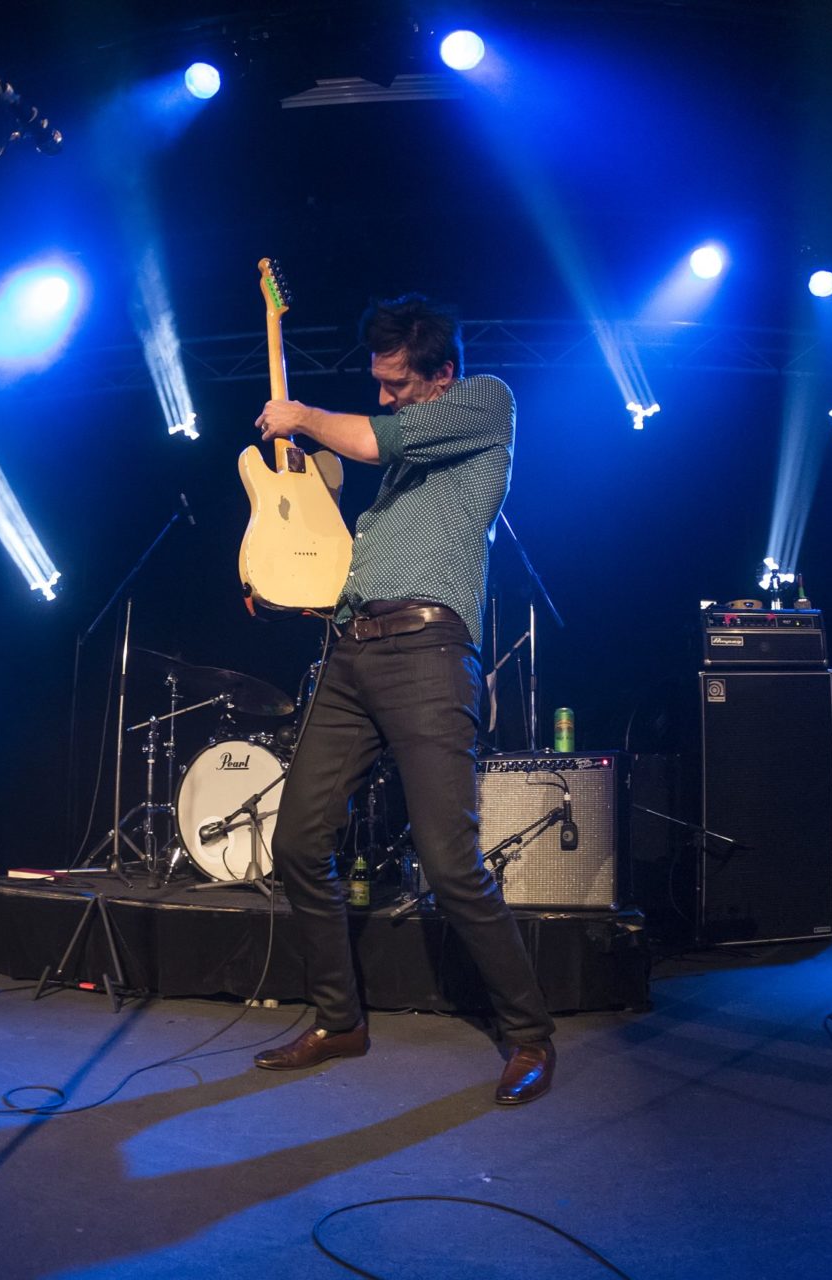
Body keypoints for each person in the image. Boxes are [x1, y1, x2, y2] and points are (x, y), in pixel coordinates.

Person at [249, 294, 556, 1106]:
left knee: (452, 865)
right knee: (298, 839)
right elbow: (339, 527)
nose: (383, 395)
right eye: (376, 382)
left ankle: (528, 1034)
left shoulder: (487, 403)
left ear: (442, 375)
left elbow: (370, 436)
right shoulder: (398, 486)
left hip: (428, 655)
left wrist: (302, 414)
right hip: (350, 655)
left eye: (396, 382)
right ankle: (338, 1019)